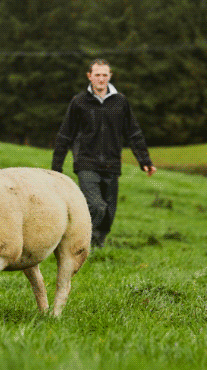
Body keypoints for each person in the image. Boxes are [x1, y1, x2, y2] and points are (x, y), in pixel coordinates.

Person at [52, 59, 156, 247]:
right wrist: (56, 169)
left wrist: (144, 160)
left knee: (108, 212)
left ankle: (96, 245)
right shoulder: (79, 102)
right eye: (97, 75)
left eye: (104, 75)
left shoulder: (120, 102)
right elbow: (65, 135)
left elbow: (133, 133)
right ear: (89, 76)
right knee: (96, 207)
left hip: (112, 164)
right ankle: (81, 246)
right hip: (86, 163)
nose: (101, 78)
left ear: (110, 76)